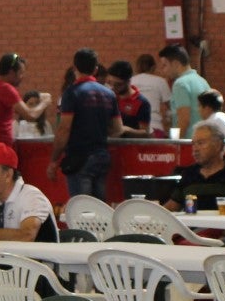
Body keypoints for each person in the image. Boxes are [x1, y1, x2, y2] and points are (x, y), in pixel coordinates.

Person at [47, 48, 121, 198]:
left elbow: (64, 129)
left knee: (82, 212)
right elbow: (117, 129)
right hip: (102, 156)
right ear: (96, 69)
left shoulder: (72, 93)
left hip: (79, 158)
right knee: (99, 213)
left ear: (75, 68)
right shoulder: (109, 94)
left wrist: (54, 160)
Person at [164, 124, 225, 212]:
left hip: (223, 224)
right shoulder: (188, 173)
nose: (195, 149)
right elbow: (172, 206)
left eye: (201, 143)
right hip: (192, 225)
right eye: (193, 144)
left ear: (218, 145)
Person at [160, 45, 207, 137]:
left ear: (176, 64)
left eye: (165, 65)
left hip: (188, 142)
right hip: (201, 139)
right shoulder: (202, 81)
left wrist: (176, 142)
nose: (163, 70)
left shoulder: (180, 84)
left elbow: (184, 119)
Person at [107, 60, 153, 138]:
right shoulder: (108, 97)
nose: (114, 87)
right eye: (111, 83)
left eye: (118, 84)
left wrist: (125, 130)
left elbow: (145, 132)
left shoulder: (141, 102)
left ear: (128, 81)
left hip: (130, 147)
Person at [131, 53, 172, 135]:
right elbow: (171, 106)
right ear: (153, 67)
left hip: (134, 127)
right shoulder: (160, 81)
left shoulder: (130, 81)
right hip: (155, 124)